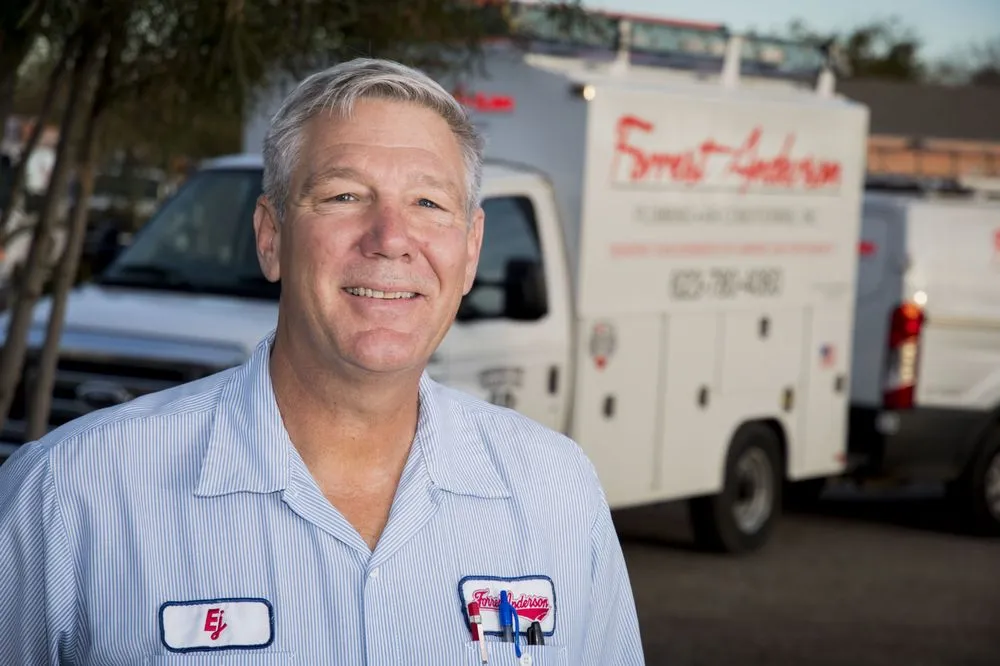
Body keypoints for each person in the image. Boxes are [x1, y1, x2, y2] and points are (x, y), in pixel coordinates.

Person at [0, 57, 645, 664]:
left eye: (428, 203)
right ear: (271, 237)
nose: (390, 239)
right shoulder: (71, 495)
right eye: (344, 196)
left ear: (471, 250)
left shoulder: (557, 492)